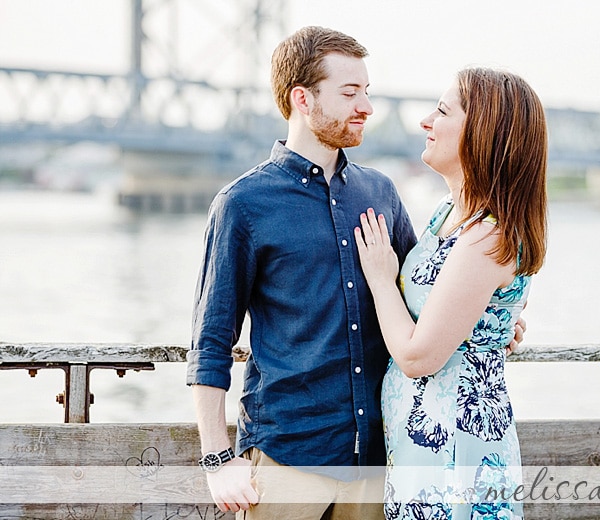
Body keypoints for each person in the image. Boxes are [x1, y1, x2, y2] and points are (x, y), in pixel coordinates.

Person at [186, 26, 418, 519]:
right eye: (350, 93)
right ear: (302, 99)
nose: (367, 107)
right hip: (286, 457)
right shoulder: (243, 204)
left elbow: (423, 296)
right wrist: (217, 459)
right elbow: (210, 341)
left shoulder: (380, 193)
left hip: (377, 458)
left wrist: (494, 319)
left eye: (367, 92)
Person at [354, 67, 548, 520]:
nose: (425, 122)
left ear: (481, 133)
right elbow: (452, 311)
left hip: (457, 451)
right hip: (421, 445)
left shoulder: (486, 236)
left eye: (441, 111)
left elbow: (419, 357)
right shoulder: (448, 214)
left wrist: (382, 279)